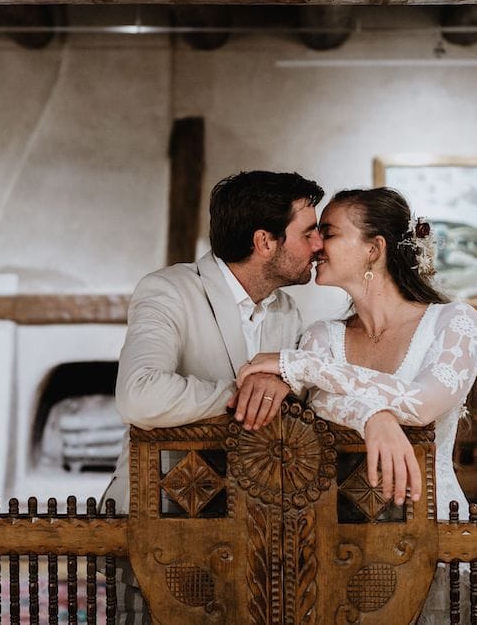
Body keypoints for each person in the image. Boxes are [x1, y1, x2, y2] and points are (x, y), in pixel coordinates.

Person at [237, 187, 477, 622]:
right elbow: (326, 406)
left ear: (374, 248)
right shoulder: (321, 338)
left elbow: (422, 404)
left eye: (327, 233)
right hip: (340, 545)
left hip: (437, 538)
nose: (315, 246)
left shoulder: (454, 322)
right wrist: (374, 416)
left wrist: (298, 364)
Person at [104, 169, 324, 623]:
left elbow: (302, 397)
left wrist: (284, 382)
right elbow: (138, 395)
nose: (318, 244)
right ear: (265, 241)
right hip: (162, 516)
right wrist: (242, 394)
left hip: (254, 529)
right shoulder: (168, 290)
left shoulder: (287, 309)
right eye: (309, 232)